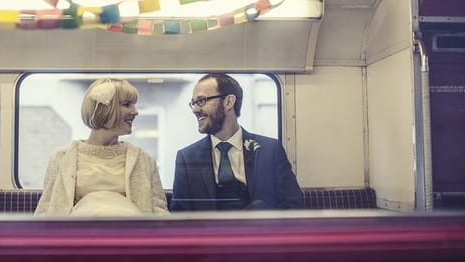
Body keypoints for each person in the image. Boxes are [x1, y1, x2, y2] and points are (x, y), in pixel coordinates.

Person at [34, 78, 168, 216]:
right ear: (105, 109)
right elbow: (45, 212)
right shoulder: (61, 158)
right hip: (76, 235)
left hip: (131, 235)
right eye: (127, 104)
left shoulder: (144, 160)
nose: (135, 111)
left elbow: (159, 213)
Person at [171, 73, 303, 211]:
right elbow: (180, 216)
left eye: (201, 101)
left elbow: (292, 206)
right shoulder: (187, 158)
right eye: (193, 103)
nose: (195, 110)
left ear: (228, 102)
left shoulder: (270, 151)